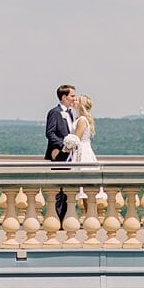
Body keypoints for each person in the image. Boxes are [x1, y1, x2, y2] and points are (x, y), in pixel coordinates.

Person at [45, 84, 77, 220]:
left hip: (71, 156)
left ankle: (66, 218)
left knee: (67, 189)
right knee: (59, 189)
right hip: (59, 156)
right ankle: (58, 219)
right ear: (64, 97)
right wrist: (63, 146)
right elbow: (50, 133)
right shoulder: (54, 112)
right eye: (72, 96)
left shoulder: (70, 113)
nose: (74, 98)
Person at [67, 94, 97, 164]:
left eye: (76, 100)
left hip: (82, 151)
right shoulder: (79, 119)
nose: (73, 100)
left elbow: (76, 139)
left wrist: (68, 146)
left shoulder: (82, 120)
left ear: (81, 105)